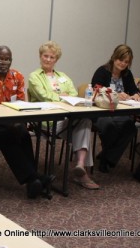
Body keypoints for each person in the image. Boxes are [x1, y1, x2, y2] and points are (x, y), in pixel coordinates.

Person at [0, 45, 55, 199]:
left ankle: (32, 183)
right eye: (0, 59)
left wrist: (18, 123)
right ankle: (34, 177)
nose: (3, 62)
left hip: (10, 121)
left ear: (11, 61)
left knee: (23, 133)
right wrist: (11, 124)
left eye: (7, 59)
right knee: (7, 134)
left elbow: (21, 104)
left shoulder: (17, 76)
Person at [28, 41, 99, 190]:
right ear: (40, 57)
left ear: (56, 59)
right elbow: (43, 95)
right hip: (47, 121)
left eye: (52, 57)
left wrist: (60, 96)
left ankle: (80, 165)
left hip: (67, 118)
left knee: (85, 121)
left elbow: (73, 94)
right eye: (45, 56)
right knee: (83, 126)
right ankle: (82, 175)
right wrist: (62, 96)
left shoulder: (63, 76)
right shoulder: (34, 76)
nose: (48, 59)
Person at [91, 44, 140, 173]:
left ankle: (107, 157)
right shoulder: (102, 71)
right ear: (114, 57)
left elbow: (134, 90)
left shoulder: (127, 74)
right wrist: (116, 94)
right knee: (109, 126)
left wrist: (135, 94)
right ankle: (105, 160)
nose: (123, 64)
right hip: (102, 112)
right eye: (120, 59)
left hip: (121, 112)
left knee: (130, 128)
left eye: (126, 62)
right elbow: (96, 89)